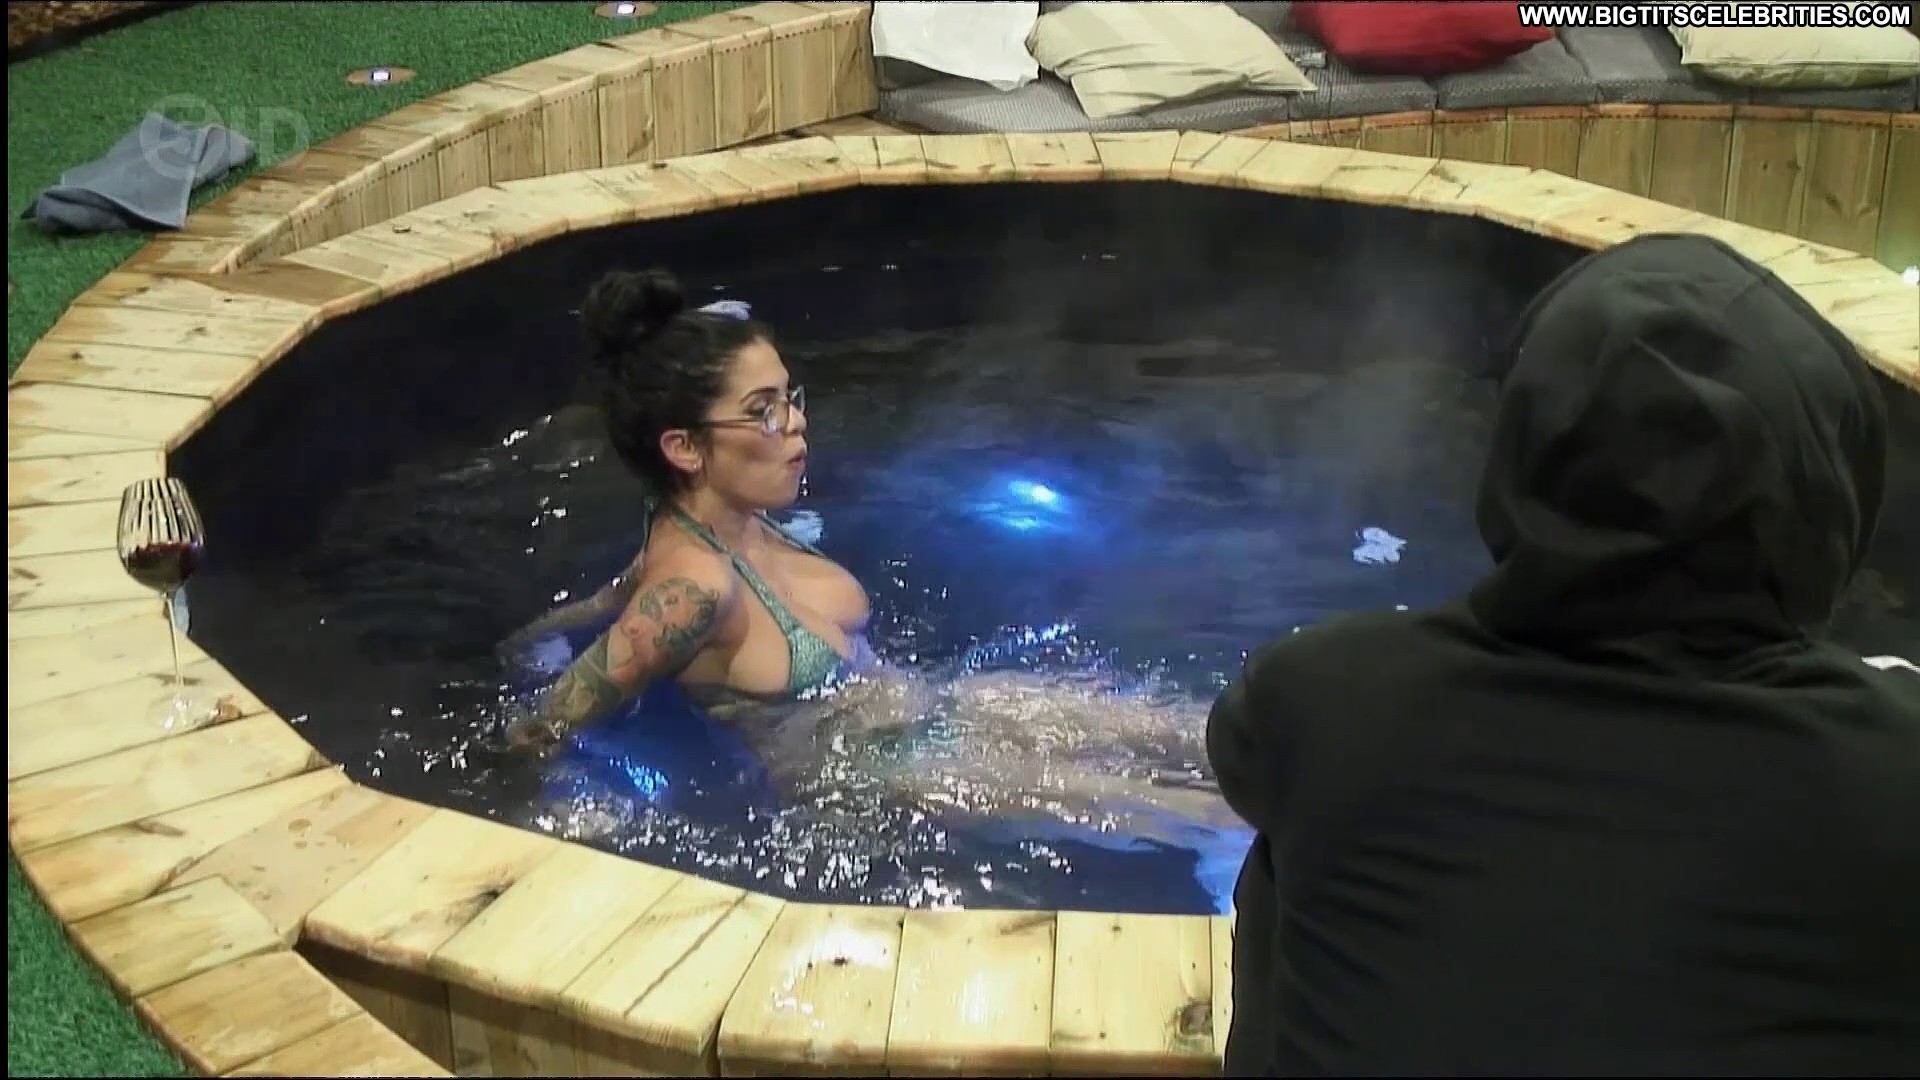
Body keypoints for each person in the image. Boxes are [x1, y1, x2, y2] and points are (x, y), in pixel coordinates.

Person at [1208, 233, 1920, 1075]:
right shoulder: (1894, 763)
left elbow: (1243, 753)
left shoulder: (1321, 700)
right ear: (1826, 499)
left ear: (1523, 452)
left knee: (1288, 859)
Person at [501, 268, 1245, 859]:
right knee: (1190, 812)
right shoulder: (692, 587)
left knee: (1185, 726)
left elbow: (622, 594)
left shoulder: (724, 528)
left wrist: (537, 635)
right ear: (685, 448)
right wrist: (550, 812)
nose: (796, 424)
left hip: (926, 707)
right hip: (882, 776)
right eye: (762, 411)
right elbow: (550, 721)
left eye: (789, 398)